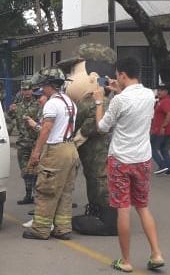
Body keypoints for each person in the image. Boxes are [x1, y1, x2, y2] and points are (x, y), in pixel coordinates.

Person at [93, 57, 165, 273]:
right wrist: (118, 91)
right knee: (142, 206)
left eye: (117, 76)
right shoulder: (150, 94)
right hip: (143, 159)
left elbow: (102, 127)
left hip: (121, 160)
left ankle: (125, 261)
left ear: (123, 75)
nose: (115, 79)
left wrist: (99, 101)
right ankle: (156, 254)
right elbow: (132, 107)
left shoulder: (119, 101)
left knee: (123, 209)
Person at [57, 44, 118, 235]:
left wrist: (81, 135)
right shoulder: (85, 100)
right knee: (93, 179)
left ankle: (108, 218)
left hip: (99, 153)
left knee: (101, 179)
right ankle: (96, 209)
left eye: (73, 72)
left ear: (93, 77)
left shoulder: (101, 101)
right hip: (91, 152)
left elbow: (96, 122)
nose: (69, 79)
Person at [22, 74, 79, 240]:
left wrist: (36, 152)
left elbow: (47, 129)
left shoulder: (52, 104)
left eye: (43, 86)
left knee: (47, 190)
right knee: (65, 191)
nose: (41, 90)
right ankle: (63, 228)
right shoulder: (70, 102)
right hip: (71, 149)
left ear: (49, 86)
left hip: (56, 150)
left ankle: (41, 229)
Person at [9, 76, 41, 205]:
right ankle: (28, 195)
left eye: (28, 89)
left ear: (32, 90)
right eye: (24, 89)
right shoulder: (17, 106)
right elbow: (10, 118)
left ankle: (38, 195)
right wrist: (11, 111)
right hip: (22, 143)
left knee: (37, 171)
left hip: (34, 143)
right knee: (25, 171)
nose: (26, 92)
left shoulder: (38, 105)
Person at [151, 83, 170, 176]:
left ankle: (162, 165)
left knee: (151, 147)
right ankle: (169, 169)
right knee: (163, 148)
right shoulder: (161, 101)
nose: (159, 92)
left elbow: (169, 114)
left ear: (166, 91)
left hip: (162, 130)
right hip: (163, 130)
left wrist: (163, 126)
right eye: (159, 90)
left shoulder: (166, 101)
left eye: (162, 90)